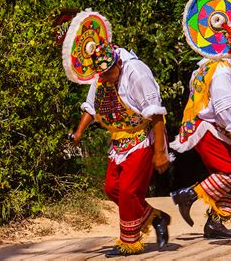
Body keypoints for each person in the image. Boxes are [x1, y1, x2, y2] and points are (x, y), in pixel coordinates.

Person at [72, 43, 171, 257]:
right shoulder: (102, 75)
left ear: (118, 63)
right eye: (102, 75)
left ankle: (129, 241)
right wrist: (79, 132)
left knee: (127, 190)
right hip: (119, 140)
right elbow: (92, 105)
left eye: (109, 73)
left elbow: (156, 115)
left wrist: (160, 152)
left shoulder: (137, 73)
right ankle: (155, 218)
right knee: (112, 188)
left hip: (143, 137)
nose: (105, 79)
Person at [169, 55, 231, 239]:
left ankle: (216, 222)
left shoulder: (207, 65)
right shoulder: (222, 70)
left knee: (229, 172)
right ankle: (189, 195)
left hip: (202, 126)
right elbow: (225, 109)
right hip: (206, 128)